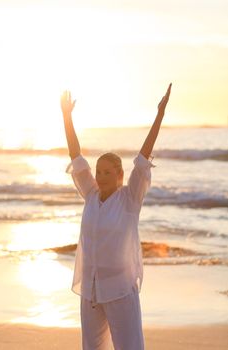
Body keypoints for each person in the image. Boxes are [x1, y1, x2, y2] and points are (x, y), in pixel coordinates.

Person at [61, 83, 172, 350]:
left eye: (107, 172)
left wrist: (159, 115)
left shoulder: (129, 199)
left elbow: (143, 157)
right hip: (91, 291)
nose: (100, 177)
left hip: (121, 291)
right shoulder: (90, 194)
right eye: (98, 172)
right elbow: (76, 156)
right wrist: (67, 117)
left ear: (120, 176)